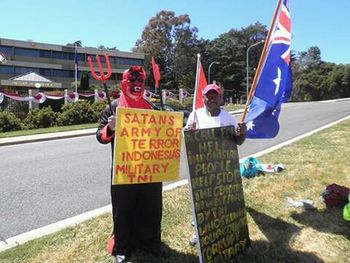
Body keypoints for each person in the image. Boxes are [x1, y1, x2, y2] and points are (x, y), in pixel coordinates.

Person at [96, 66, 164, 262]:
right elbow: (100, 137)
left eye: (140, 82)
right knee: (123, 209)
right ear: (124, 83)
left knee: (151, 207)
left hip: (149, 169)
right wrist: (110, 127)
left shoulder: (151, 108)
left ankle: (150, 243)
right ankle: (122, 247)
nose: (136, 86)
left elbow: (163, 132)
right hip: (124, 170)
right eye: (132, 82)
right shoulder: (113, 108)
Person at [184, 83, 246, 246]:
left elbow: (238, 141)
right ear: (203, 98)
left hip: (223, 170)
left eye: (214, 96)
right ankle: (199, 233)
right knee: (201, 202)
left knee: (221, 201)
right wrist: (189, 133)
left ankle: (223, 229)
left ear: (220, 99)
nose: (211, 99)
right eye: (208, 96)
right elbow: (186, 141)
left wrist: (242, 133)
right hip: (201, 170)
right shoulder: (195, 115)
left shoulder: (228, 117)